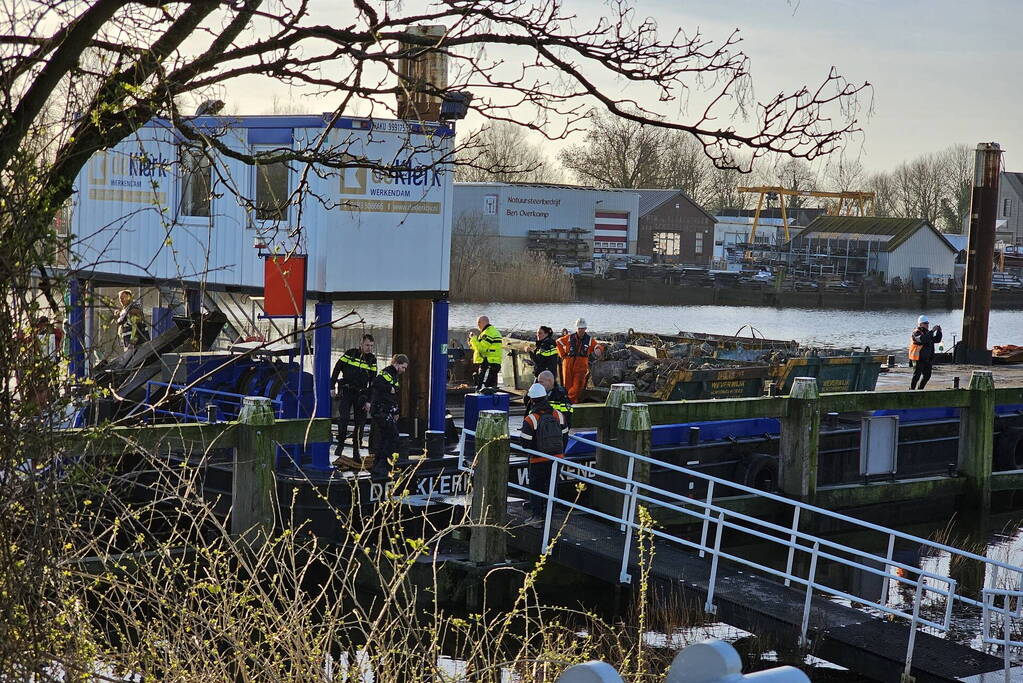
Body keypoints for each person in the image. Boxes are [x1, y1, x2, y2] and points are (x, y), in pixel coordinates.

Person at [519, 383, 568, 514]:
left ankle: (536, 517)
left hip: (537, 460)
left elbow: (524, 443)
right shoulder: (559, 415)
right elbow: (565, 437)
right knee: (552, 487)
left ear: (532, 399)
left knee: (536, 488)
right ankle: (550, 514)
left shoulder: (531, 419)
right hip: (557, 458)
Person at [330, 334, 377, 461]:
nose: (369, 348)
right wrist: (332, 386)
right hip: (347, 391)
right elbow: (336, 369)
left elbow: (373, 382)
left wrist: (369, 401)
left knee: (359, 423)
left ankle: (356, 450)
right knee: (344, 418)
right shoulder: (350, 354)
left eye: (372, 346)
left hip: (361, 394)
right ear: (361, 344)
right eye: (367, 345)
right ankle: (340, 444)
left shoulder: (372, 359)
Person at [369, 353, 409, 479]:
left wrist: (396, 411)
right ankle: (381, 465)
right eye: (403, 367)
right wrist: (389, 388)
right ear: (396, 364)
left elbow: (392, 397)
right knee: (392, 437)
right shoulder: (387, 373)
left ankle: (379, 465)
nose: (404, 370)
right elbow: (375, 384)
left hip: (386, 411)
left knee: (386, 438)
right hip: (381, 411)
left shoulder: (394, 375)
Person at [556, 318, 602, 403]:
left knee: (578, 387)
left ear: (585, 328)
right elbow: (558, 342)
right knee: (567, 386)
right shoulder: (569, 338)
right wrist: (562, 355)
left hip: (581, 366)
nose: (580, 330)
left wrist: (598, 349)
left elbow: (598, 346)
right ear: (576, 329)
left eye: (582, 328)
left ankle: (570, 401)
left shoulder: (589, 340)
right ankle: (568, 402)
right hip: (568, 363)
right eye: (579, 328)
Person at [468, 315, 502, 392]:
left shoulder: (488, 333)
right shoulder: (489, 331)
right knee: (487, 388)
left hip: (489, 363)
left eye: (478, 322)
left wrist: (473, 339)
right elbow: (479, 348)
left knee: (483, 388)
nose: (478, 325)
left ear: (483, 322)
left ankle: (482, 403)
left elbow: (482, 349)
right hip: (490, 362)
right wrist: (471, 343)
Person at [909, 315, 942, 390]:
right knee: (916, 376)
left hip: (927, 358)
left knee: (927, 375)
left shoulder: (927, 333)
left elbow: (936, 340)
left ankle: (920, 389)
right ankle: (911, 390)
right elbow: (922, 339)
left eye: (927, 323)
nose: (927, 325)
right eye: (925, 323)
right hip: (918, 358)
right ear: (920, 324)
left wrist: (939, 332)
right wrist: (932, 331)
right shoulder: (916, 332)